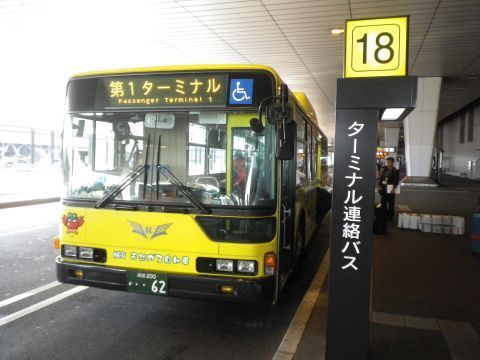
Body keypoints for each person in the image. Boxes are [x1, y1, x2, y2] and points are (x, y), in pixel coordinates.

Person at [378, 157, 399, 221]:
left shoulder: (395, 170)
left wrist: (394, 187)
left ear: (393, 162)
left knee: (390, 203)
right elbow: (381, 178)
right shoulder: (385, 169)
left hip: (390, 187)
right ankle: (383, 215)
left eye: (389, 162)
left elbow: (396, 180)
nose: (388, 163)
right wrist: (380, 185)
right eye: (387, 162)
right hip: (384, 187)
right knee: (383, 202)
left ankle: (390, 217)